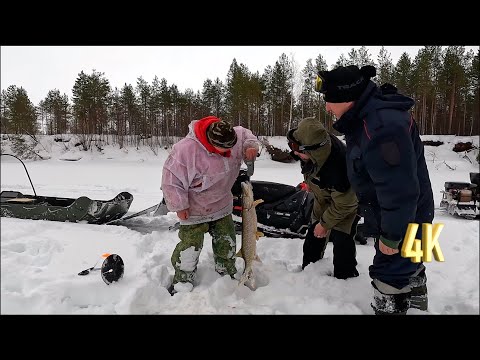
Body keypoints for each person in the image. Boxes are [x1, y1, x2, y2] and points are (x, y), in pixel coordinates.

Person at [315, 65, 434, 314]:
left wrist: (392, 234)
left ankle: (393, 309)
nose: (327, 107)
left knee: (390, 272)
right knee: (412, 260)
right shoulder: (370, 116)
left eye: (329, 101)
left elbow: (399, 188)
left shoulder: (381, 127)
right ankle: (418, 306)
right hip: (413, 213)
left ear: (347, 98)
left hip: (402, 217)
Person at [161, 115, 259, 295]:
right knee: (190, 248)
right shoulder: (186, 151)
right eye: (223, 149)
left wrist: (250, 147)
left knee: (227, 243)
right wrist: (179, 205)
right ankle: (183, 280)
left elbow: (245, 135)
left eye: (232, 147)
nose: (229, 152)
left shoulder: (234, 138)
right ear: (209, 142)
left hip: (222, 206)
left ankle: (226, 271)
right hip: (194, 211)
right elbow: (171, 181)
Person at [287, 117, 360, 280]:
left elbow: (346, 203)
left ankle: (346, 279)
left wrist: (325, 224)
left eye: (297, 148)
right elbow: (313, 170)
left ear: (311, 151)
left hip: (347, 203)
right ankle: (309, 272)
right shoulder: (316, 148)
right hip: (324, 198)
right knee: (314, 235)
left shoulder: (340, 169)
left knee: (342, 240)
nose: (294, 152)